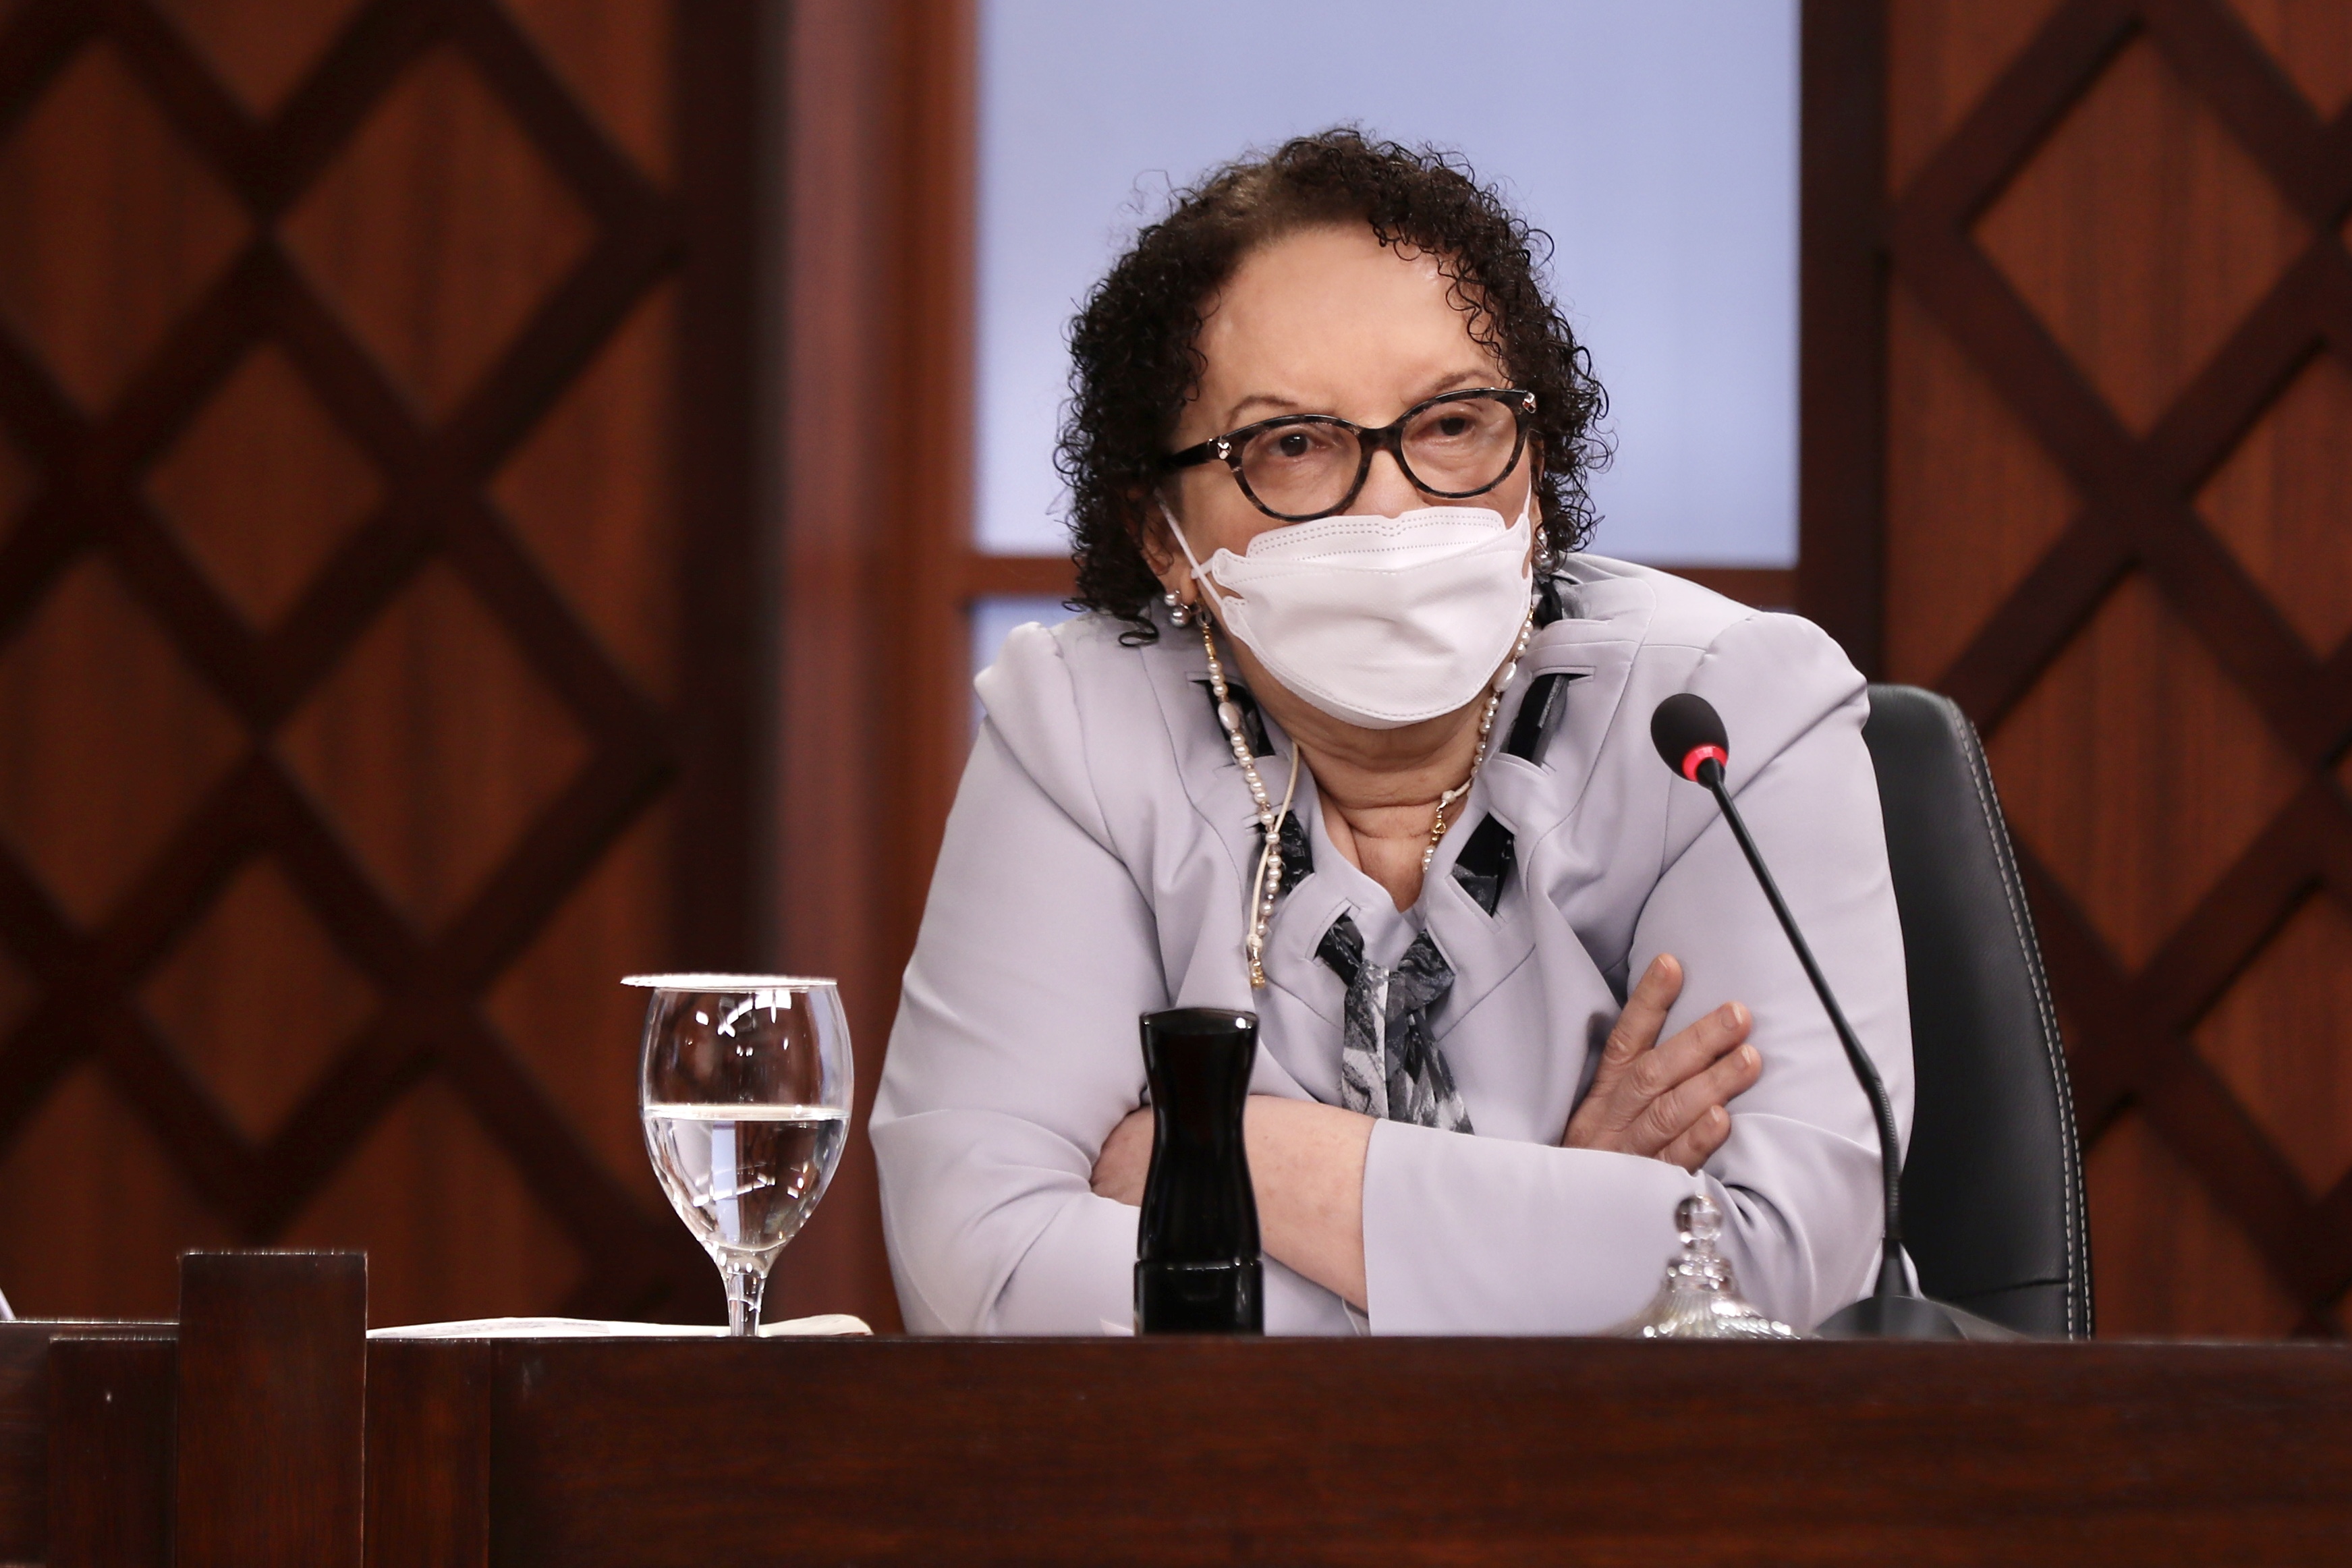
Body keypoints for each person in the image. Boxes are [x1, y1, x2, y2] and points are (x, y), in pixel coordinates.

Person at [872, 130, 1909, 1335]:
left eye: (1451, 424)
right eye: (1292, 445)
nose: (1393, 503)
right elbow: (987, 1276)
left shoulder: (1726, 711)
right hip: (1243, 1474)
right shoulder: (1078, 727)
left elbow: (1783, 1268)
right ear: (1164, 539)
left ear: (1534, 457)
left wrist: (1228, 1160)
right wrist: (1558, 1231)